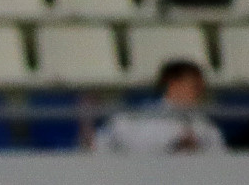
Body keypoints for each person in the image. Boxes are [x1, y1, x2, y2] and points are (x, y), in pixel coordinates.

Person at [95, 59, 225, 155]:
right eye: (194, 86)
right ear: (173, 84)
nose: (200, 92)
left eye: (201, 87)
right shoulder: (138, 117)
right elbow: (104, 143)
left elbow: (219, 157)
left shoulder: (205, 125)